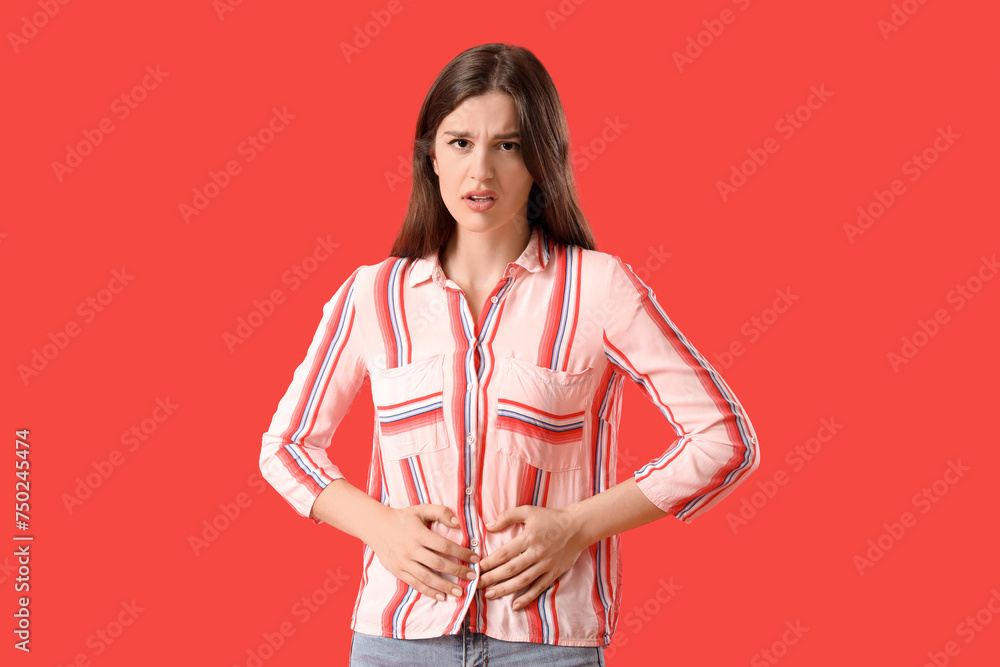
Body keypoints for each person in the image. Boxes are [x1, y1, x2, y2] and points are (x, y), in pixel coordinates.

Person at [259, 43, 760, 666]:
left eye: (509, 145)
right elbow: (285, 446)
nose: (481, 173)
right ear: (430, 158)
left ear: (541, 160)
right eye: (460, 142)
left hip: (546, 644)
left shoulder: (598, 289)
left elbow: (723, 438)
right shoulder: (373, 294)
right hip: (397, 642)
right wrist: (378, 527)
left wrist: (578, 526)